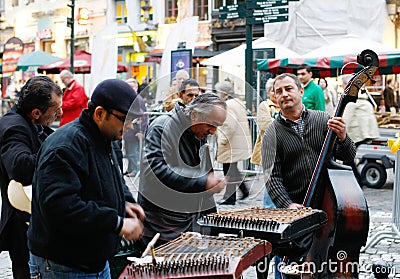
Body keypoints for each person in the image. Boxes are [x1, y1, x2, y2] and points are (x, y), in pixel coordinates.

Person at [27, 79, 145, 278]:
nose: (130, 127)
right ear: (100, 113)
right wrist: (116, 223)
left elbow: (114, 178)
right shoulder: (65, 146)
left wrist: (124, 201)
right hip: (63, 264)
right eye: (125, 119)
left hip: (94, 261)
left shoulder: (106, 138)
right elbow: (61, 206)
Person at [137, 93, 228, 247]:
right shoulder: (162, 127)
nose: (213, 131)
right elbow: (157, 171)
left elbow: (205, 174)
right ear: (194, 115)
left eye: (217, 126)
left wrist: (212, 222)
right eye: (211, 124)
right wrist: (203, 181)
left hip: (187, 221)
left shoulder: (198, 133)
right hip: (162, 224)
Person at [262, 73, 356, 209]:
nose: (284, 94)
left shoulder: (323, 119)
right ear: (275, 98)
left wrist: (343, 138)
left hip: (329, 200)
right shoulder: (271, 134)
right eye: (279, 91)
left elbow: (348, 155)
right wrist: (287, 205)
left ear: (301, 91)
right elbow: (272, 177)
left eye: (289, 89)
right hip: (297, 206)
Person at [0, 76, 63, 279]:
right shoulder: (14, 127)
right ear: (36, 112)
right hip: (20, 224)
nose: (60, 114)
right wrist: (58, 152)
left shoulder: (32, 122)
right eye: (55, 111)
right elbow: (20, 167)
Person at [214, 80, 252, 205]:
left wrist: (222, 140)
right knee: (233, 169)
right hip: (236, 142)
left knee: (229, 170)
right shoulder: (237, 102)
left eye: (219, 91)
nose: (217, 94)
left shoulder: (228, 105)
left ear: (224, 93)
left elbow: (229, 125)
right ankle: (242, 191)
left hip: (230, 143)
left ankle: (230, 197)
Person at [342, 74, 380, 186]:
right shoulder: (363, 97)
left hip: (357, 135)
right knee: (350, 158)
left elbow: (345, 120)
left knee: (347, 158)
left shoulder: (352, 100)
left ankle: (356, 180)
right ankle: (357, 179)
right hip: (365, 134)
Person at [250, 78, 278, 209]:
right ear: (268, 92)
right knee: (271, 180)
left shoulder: (286, 105)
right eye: (273, 90)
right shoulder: (265, 106)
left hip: (285, 150)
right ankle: (269, 208)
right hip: (270, 149)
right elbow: (265, 124)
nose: (275, 93)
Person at [123, 78, 148, 177]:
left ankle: (135, 170)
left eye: (131, 87)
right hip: (128, 131)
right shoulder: (128, 98)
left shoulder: (138, 99)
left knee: (134, 152)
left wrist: (141, 130)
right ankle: (130, 169)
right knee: (129, 152)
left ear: (136, 88)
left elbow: (143, 116)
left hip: (134, 131)